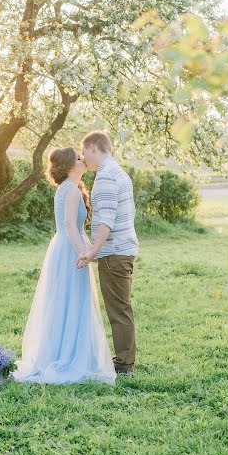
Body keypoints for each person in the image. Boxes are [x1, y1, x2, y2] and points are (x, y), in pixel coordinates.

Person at [10, 147, 116, 386]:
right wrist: (84, 253)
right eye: (79, 158)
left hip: (64, 246)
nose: (84, 160)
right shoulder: (71, 191)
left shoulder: (68, 189)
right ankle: (67, 356)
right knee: (72, 300)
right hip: (71, 248)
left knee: (66, 300)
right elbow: (70, 225)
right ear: (69, 165)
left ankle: (62, 351)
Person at [77, 131, 139, 376]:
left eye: (84, 153)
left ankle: (124, 364)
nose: (84, 159)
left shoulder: (105, 178)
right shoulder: (118, 172)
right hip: (124, 249)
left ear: (93, 147)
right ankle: (125, 360)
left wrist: (92, 252)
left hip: (114, 253)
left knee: (118, 309)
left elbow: (106, 222)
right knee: (121, 307)